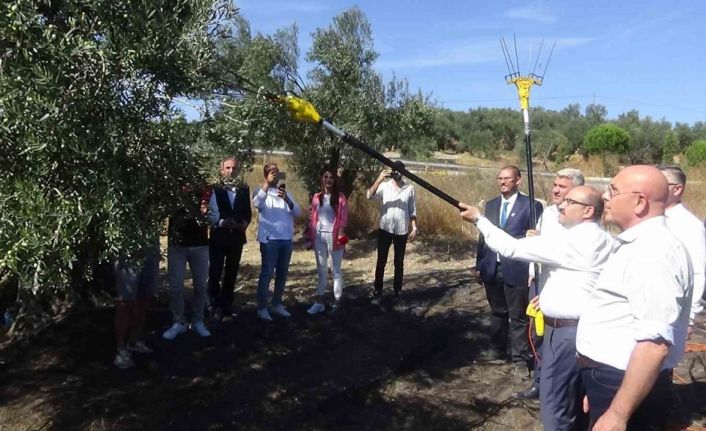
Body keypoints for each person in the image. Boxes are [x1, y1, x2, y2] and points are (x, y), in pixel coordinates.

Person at [460, 185, 612, 431]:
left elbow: (512, 248)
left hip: (565, 336)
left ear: (588, 211)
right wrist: (552, 295)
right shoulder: (605, 238)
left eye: (570, 201)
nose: (562, 205)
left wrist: (479, 219)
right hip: (586, 330)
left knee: (555, 406)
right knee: (577, 405)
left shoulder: (574, 241)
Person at [576, 165, 692, 430]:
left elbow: (654, 345)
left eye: (613, 190)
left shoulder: (653, 253)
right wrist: (597, 385)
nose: (604, 196)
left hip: (621, 382)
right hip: (613, 380)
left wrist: (618, 411)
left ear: (639, 202)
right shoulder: (639, 244)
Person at [520, 168, 585, 400]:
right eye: (555, 185)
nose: (555, 189)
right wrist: (531, 270)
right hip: (539, 282)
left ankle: (560, 387)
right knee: (538, 335)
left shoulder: (581, 219)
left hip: (560, 291)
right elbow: (539, 245)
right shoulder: (547, 213)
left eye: (561, 187)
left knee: (557, 338)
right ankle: (540, 381)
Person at [473, 165, 543, 378]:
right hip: (492, 267)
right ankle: (496, 350)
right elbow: (483, 237)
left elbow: (537, 238)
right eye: (500, 178)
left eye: (507, 178)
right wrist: (479, 264)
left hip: (517, 268)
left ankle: (520, 359)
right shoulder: (492, 205)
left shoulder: (531, 206)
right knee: (497, 312)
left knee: (518, 316)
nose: (502, 182)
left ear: (518, 180)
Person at [162, 185, 219, 340]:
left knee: (200, 285)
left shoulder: (207, 190)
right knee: (175, 286)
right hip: (177, 245)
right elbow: (163, 211)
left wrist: (206, 213)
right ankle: (178, 322)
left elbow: (214, 218)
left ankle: (198, 321)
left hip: (199, 245)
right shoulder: (172, 184)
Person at [659, 165, 705, 336]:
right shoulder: (649, 218)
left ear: (677, 189)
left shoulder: (689, 226)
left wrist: (690, 317)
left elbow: (697, 273)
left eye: (661, 184)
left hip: (673, 314)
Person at [252, 162, 302, 321]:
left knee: (282, 273)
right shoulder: (260, 191)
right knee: (266, 273)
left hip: (286, 239)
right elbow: (257, 204)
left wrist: (287, 199)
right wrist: (266, 184)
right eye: (272, 172)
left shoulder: (285, 192)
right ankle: (262, 308)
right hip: (269, 240)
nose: (275, 175)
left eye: (277, 172)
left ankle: (277, 304)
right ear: (266, 175)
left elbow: (298, 211)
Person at [207, 157, 252, 322]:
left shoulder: (243, 188)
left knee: (231, 274)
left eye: (234, 168)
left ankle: (226, 307)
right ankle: (212, 306)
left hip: (237, 238)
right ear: (222, 170)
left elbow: (247, 212)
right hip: (219, 237)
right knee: (215, 272)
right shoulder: (215, 188)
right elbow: (210, 213)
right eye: (227, 168)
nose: (231, 171)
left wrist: (245, 223)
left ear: (238, 170)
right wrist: (221, 222)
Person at [367, 163, 417, 303]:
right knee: (381, 260)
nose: (397, 174)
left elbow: (412, 210)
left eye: (400, 171)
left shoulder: (409, 189)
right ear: (392, 172)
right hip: (385, 229)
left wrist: (414, 227)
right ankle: (378, 290)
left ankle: (397, 291)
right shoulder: (384, 186)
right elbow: (369, 196)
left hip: (401, 231)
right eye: (395, 171)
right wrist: (379, 179)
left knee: (399, 262)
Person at [306, 166, 349, 314]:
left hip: (334, 236)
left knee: (335, 270)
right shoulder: (316, 197)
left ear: (335, 180)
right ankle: (319, 302)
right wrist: (310, 237)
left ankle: (337, 302)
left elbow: (343, 220)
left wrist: (341, 238)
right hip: (319, 236)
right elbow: (313, 218)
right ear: (322, 179)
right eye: (325, 177)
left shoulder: (340, 198)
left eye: (331, 177)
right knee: (321, 270)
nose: (328, 180)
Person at [113, 242, 160, 369]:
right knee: (125, 301)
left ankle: (134, 340)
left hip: (150, 246)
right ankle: (120, 349)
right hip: (129, 245)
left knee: (145, 296)